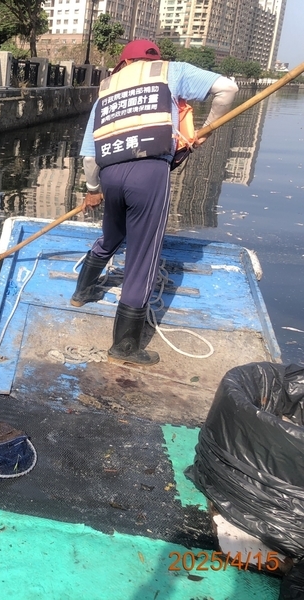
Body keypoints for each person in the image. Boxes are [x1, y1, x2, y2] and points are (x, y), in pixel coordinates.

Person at [73, 39, 238, 366]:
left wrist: (93, 188)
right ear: (154, 60)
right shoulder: (171, 72)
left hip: (109, 175)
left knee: (112, 235)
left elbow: (90, 155)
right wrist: (204, 130)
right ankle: (125, 347)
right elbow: (228, 89)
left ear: (122, 64)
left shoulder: (107, 89)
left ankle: (81, 292)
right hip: (149, 173)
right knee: (143, 257)